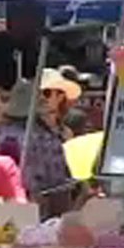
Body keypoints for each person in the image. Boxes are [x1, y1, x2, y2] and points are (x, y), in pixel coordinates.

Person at [24, 68, 81, 218]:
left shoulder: (66, 132)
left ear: (61, 97)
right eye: (44, 92)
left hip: (65, 199)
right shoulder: (27, 129)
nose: (45, 98)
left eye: (49, 93)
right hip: (35, 202)